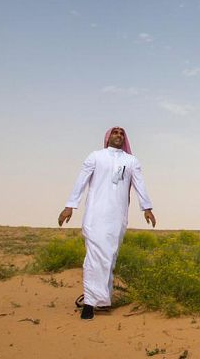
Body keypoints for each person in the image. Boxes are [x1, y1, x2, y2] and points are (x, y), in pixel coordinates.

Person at [58, 126, 156, 320]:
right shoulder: (95, 156)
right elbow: (81, 181)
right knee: (94, 256)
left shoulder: (131, 161)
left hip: (117, 217)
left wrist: (147, 208)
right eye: (115, 132)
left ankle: (102, 301)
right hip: (95, 214)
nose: (118, 135)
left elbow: (140, 185)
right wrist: (70, 206)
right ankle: (89, 303)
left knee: (109, 257)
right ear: (108, 137)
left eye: (121, 133)